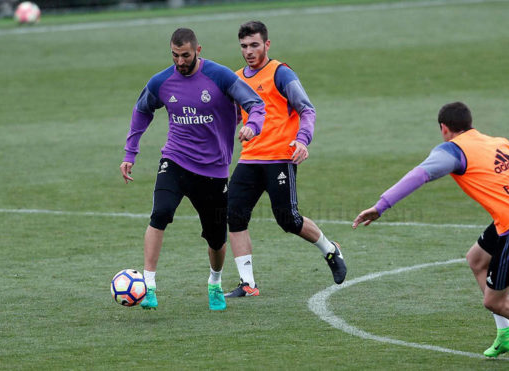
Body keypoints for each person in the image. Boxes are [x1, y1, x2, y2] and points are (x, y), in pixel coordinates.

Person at [353, 102, 509, 363]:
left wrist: (381, 206)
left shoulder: (454, 151)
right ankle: (506, 335)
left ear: (444, 128)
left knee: (494, 302)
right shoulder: (498, 143)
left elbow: (419, 175)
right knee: (477, 259)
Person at [120, 28, 266, 311]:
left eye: (185, 55)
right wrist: (130, 152)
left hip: (213, 170)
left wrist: (251, 126)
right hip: (175, 160)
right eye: (174, 55)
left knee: (216, 237)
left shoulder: (220, 76)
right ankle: (148, 285)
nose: (179, 61)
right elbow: (142, 110)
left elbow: (255, 104)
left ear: (198, 50)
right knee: (160, 213)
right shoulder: (162, 81)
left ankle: (214, 282)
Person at [224, 20, 346, 298]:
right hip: (250, 158)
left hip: (280, 157)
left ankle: (331, 250)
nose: (249, 51)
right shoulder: (236, 78)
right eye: (244, 46)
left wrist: (302, 140)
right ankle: (247, 283)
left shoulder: (280, 73)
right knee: (234, 214)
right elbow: (230, 116)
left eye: (254, 45)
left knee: (288, 220)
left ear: (267, 45)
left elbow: (307, 109)